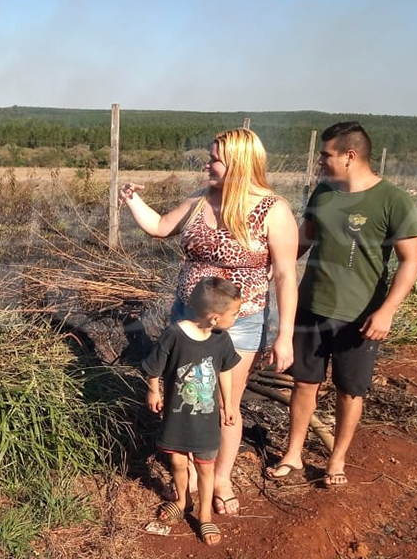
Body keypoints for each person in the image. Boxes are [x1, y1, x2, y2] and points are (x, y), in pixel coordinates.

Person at [120, 128, 299, 514]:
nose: (207, 163)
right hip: (187, 319)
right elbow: (159, 227)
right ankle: (184, 472)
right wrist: (132, 199)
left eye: (215, 157)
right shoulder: (201, 199)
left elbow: (285, 274)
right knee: (187, 398)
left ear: (239, 162)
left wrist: (285, 335)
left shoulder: (274, 210)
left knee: (223, 403)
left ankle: (219, 478)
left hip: (242, 322)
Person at [266, 121, 417, 486]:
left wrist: (387, 310)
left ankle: (337, 459)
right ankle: (293, 454)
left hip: (361, 316)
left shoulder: (393, 200)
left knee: (350, 389)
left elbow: (410, 261)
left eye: (326, 154)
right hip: (312, 305)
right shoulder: (323, 193)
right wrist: (273, 268)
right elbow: (302, 242)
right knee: (304, 383)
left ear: (350, 156)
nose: (320, 161)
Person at [142, 276, 243, 546]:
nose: (236, 318)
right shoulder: (174, 335)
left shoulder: (221, 339)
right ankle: (183, 501)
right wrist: (154, 390)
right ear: (213, 317)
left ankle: (205, 513)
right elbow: (154, 367)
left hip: (207, 420)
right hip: (177, 416)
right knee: (177, 461)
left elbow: (225, 370)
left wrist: (228, 403)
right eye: (234, 314)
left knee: (206, 468)